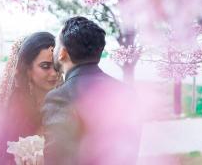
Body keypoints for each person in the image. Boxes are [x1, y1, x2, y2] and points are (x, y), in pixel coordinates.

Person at [42, 16, 141, 165]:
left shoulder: (60, 97)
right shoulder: (127, 93)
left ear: (62, 53)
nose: (53, 51)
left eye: (55, 45)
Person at [0, 32, 59, 165]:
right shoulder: (3, 113)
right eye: (45, 66)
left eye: (57, 65)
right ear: (27, 70)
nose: (54, 73)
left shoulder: (66, 109)